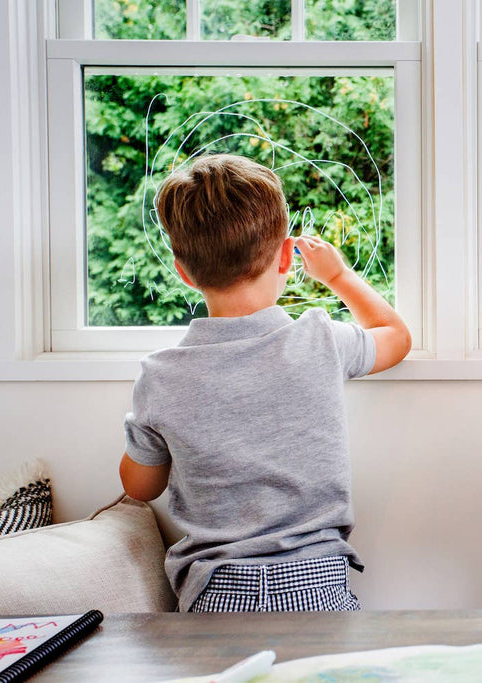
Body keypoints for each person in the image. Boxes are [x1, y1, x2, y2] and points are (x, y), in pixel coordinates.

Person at [118, 154, 410, 613]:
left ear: (183, 272)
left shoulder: (161, 375)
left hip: (216, 588)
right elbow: (396, 338)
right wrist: (338, 275)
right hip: (317, 582)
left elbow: (139, 487)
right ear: (287, 256)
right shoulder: (318, 340)